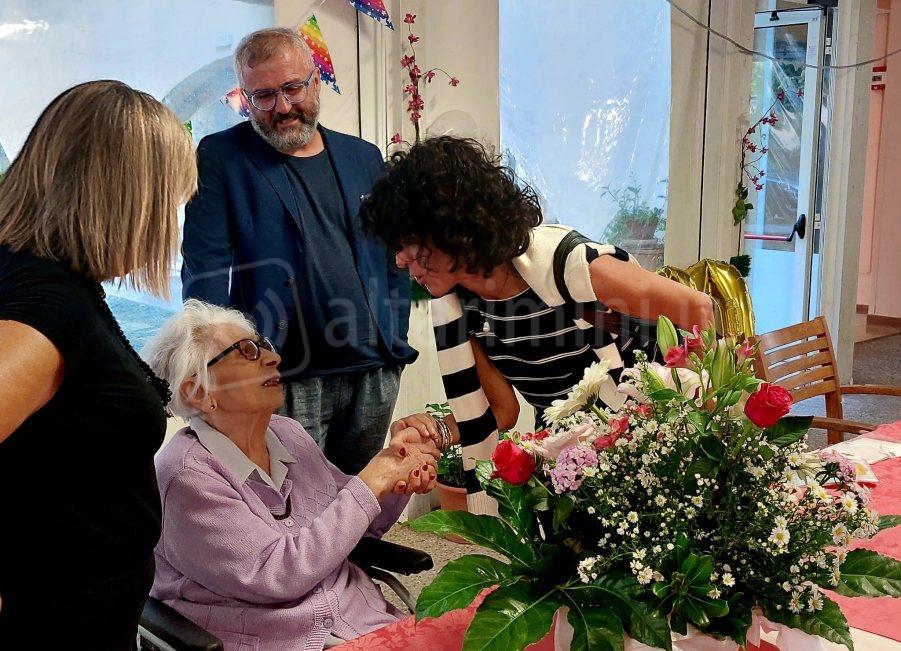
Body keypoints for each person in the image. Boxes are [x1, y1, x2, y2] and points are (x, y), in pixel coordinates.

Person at [361, 136, 714, 507]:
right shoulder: (460, 307)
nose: (400, 260)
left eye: (410, 243)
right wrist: (434, 434)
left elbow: (697, 310)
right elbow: (501, 410)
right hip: (569, 457)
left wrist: (681, 421)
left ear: (454, 229)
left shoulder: (571, 264)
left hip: (648, 446)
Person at [0, 81, 196, 648]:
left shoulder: (50, 281)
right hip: (58, 618)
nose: (169, 225)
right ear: (127, 196)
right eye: (169, 203)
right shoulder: (46, 302)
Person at [181, 27, 416, 475]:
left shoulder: (363, 157)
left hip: (374, 367)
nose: (283, 107)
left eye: (292, 88)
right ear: (245, 97)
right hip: (283, 372)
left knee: (360, 502)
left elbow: (393, 258)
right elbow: (205, 270)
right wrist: (218, 367)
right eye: (264, 96)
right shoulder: (219, 156)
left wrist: (395, 332)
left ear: (316, 80)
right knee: (295, 508)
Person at [144, 300, 438, 651]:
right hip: (278, 640)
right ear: (199, 392)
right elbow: (278, 574)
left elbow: (354, 523)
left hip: (362, 621)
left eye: (264, 346)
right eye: (248, 351)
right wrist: (373, 480)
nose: (274, 358)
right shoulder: (186, 478)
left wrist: (399, 468)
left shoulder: (287, 434)